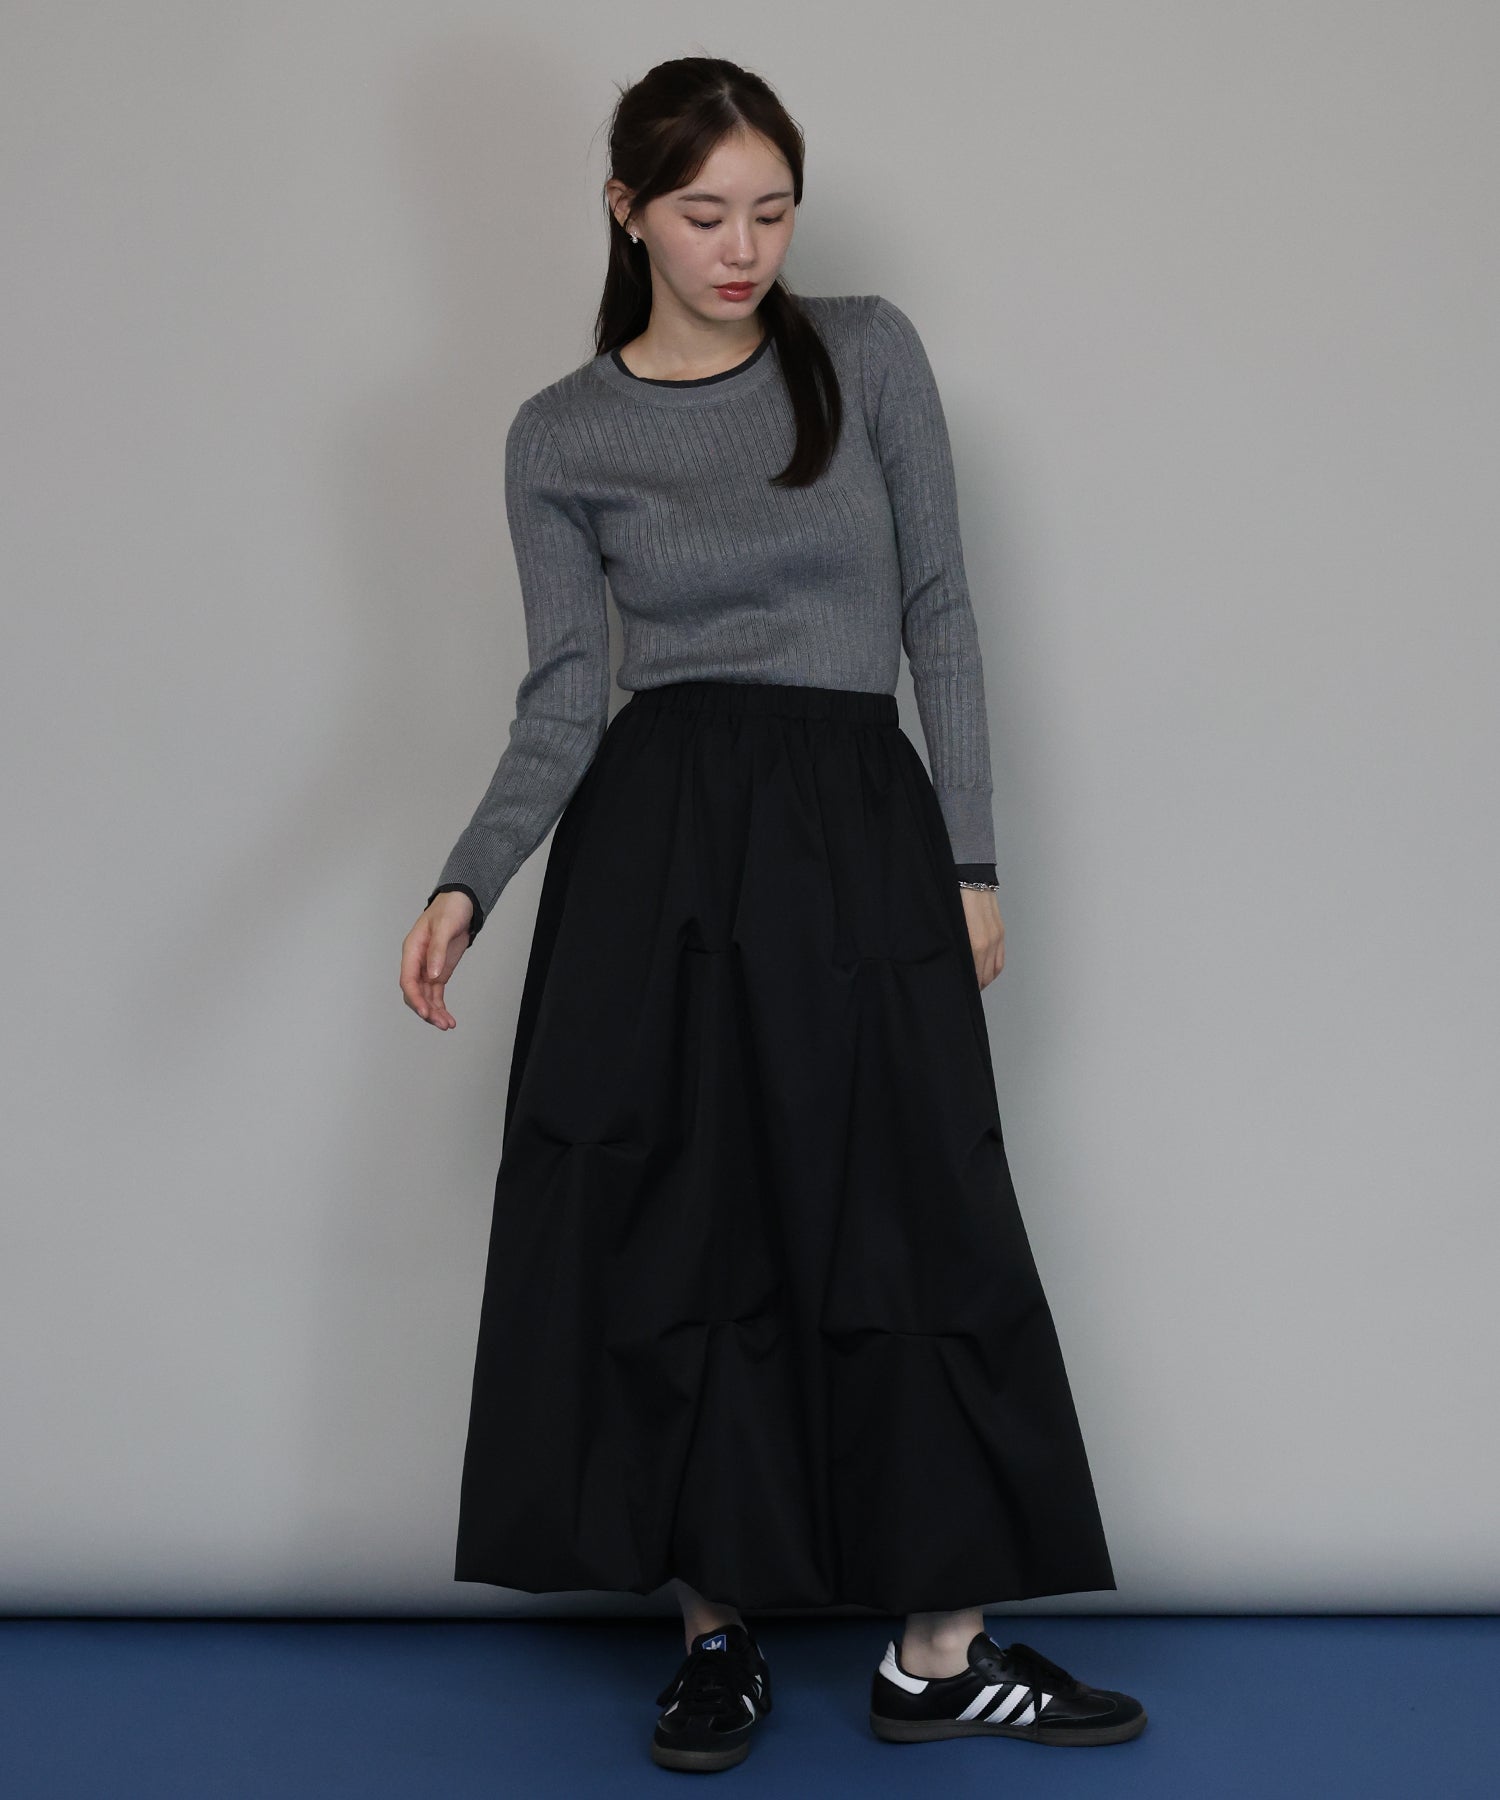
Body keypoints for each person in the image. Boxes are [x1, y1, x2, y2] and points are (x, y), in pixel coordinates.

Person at [399, 55, 1145, 1775]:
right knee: (688, 1228)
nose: (742, 249)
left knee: (919, 1211)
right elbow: (564, 698)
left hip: (857, 828)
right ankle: (714, 1637)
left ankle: (938, 1651)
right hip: (657, 855)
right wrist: (468, 876)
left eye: (772, 211)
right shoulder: (561, 433)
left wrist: (971, 861)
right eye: (703, 214)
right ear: (626, 213)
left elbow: (941, 614)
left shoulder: (865, 354)